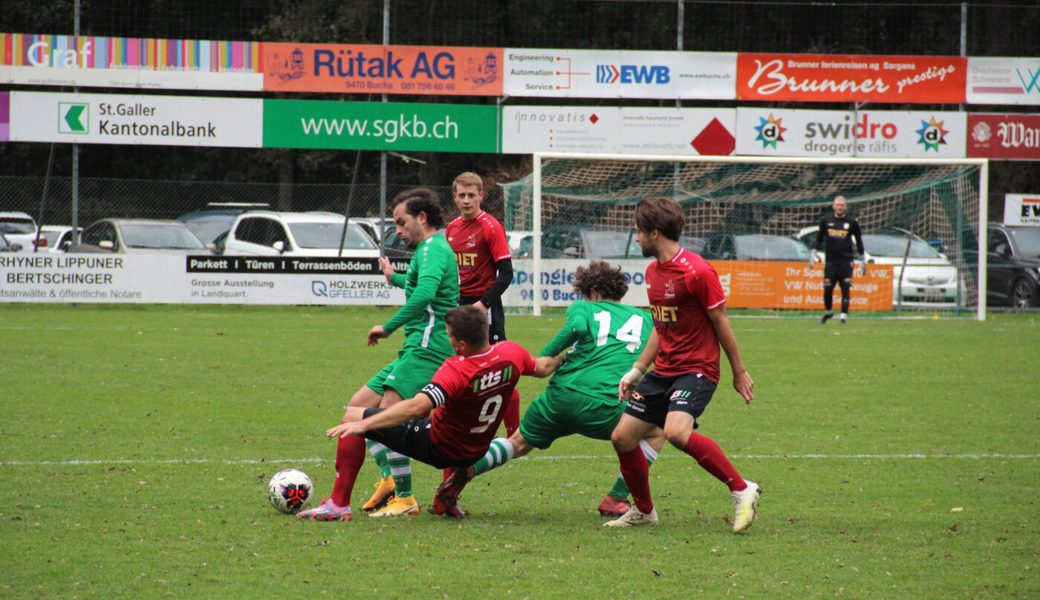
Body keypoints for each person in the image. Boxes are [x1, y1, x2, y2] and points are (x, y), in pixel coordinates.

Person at [434, 260, 666, 518]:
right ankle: (616, 497)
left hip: (561, 396)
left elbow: (576, 327)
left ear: (593, 292)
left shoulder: (584, 308)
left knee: (518, 443)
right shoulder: (646, 320)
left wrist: (548, 354)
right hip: (606, 404)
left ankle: (470, 470)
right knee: (655, 432)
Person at [298, 187, 459, 521]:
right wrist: (394, 277)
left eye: (401, 222)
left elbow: (427, 293)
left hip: (428, 349)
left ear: (422, 218)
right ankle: (385, 485)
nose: (397, 231)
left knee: (382, 419)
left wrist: (387, 326)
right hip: (416, 349)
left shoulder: (433, 248)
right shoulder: (430, 251)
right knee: (355, 410)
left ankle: (396, 497)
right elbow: (423, 288)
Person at [605, 197, 760, 533]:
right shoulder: (652, 272)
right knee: (622, 437)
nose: (637, 237)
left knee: (676, 432)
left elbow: (721, 321)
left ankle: (742, 489)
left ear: (655, 232)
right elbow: (662, 326)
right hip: (663, 370)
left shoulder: (698, 271)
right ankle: (644, 511)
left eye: (639, 231)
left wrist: (739, 371)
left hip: (698, 368)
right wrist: (637, 370)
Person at [322, 305, 557, 519]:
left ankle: (340, 504)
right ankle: (451, 496)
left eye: (448, 335)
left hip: (439, 448)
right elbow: (543, 367)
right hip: (477, 449)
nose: (448, 339)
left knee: (355, 415)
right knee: (513, 443)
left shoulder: (456, 369)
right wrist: (570, 355)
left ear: (460, 344)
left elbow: (416, 407)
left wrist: (365, 425)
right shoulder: (511, 352)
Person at [445, 171, 520, 437]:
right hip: (459, 308)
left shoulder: (490, 227)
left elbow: (507, 273)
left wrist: (484, 303)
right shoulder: (451, 230)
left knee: (500, 367)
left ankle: (514, 433)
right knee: (460, 365)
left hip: (486, 307)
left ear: (481, 196)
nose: (466, 200)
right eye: (461, 195)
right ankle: (465, 425)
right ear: (455, 197)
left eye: (471, 195)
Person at [811, 195, 866, 324]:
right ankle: (829, 312)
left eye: (842, 205)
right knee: (828, 288)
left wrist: (862, 258)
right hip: (830, 262)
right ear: (833, 206)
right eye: (838, 205)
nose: (840, 207)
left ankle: (843, 316)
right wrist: (813, 251)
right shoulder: (825, 220)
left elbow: (858, 241)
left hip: (846, 261)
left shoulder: (852, 222)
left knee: (845, 288)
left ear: (845, 207)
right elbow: (819, 238)